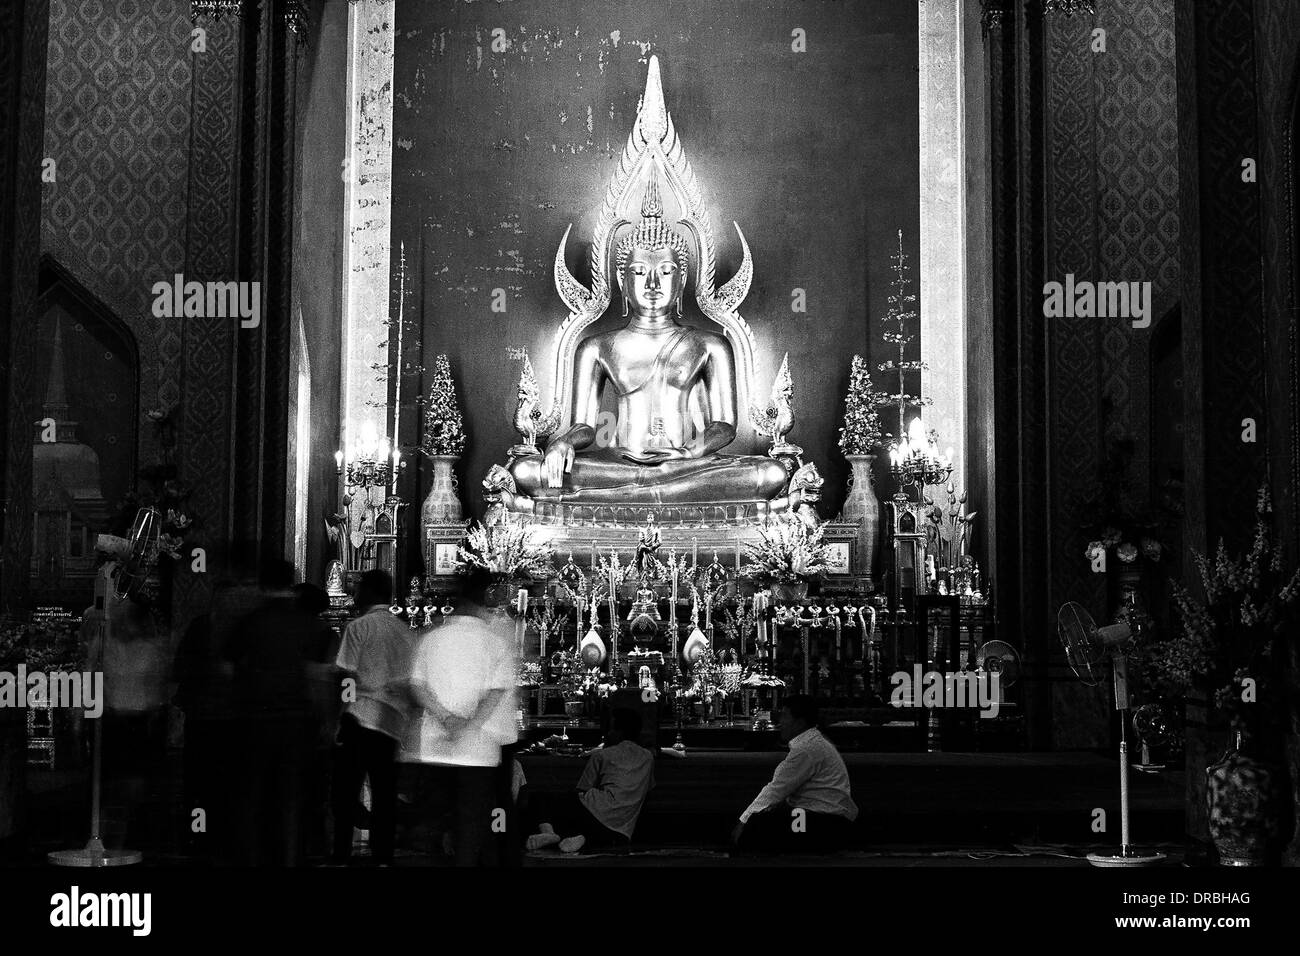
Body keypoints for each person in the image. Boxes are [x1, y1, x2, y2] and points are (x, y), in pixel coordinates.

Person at [402, 569, 518, 867]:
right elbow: (495, 692)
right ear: (482, 602)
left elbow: (416, 686)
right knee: (472, 827)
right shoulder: (495, 641)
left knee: (437, 826)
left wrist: (445, 718)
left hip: (434, 750)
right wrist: (467, 725)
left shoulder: (432, 638)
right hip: (476, 751)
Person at [331, 570, 417, 866]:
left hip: (360, 716)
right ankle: (383, 857)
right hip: (392, 722)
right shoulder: (405, 631)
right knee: (384, 793)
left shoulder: (358, 627)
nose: (354, 595)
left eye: (358, 589)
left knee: (346, 792)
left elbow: (347, 676)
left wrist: (339, 717)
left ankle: (341, 854)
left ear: (369, 592)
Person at [730, 695, 857, 853]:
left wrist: (743, 821)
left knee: (759, 825)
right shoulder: (813, 742)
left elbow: (775, 790)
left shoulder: (807, 749)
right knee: (764, 824)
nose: (780, 722)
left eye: (785, 716)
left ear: (800, 722)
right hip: (825, 820)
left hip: (823, 823)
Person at [525, 708, 655, 854]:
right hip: (621, 831)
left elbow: (582, 789)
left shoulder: (602, 755)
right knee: (604, 830)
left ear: (619, 732)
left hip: (593, 813)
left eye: (611, 729)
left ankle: (550, 833)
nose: (607, 734)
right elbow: (648, 788)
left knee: (541, 798)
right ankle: (584, 839)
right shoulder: (648, 757)